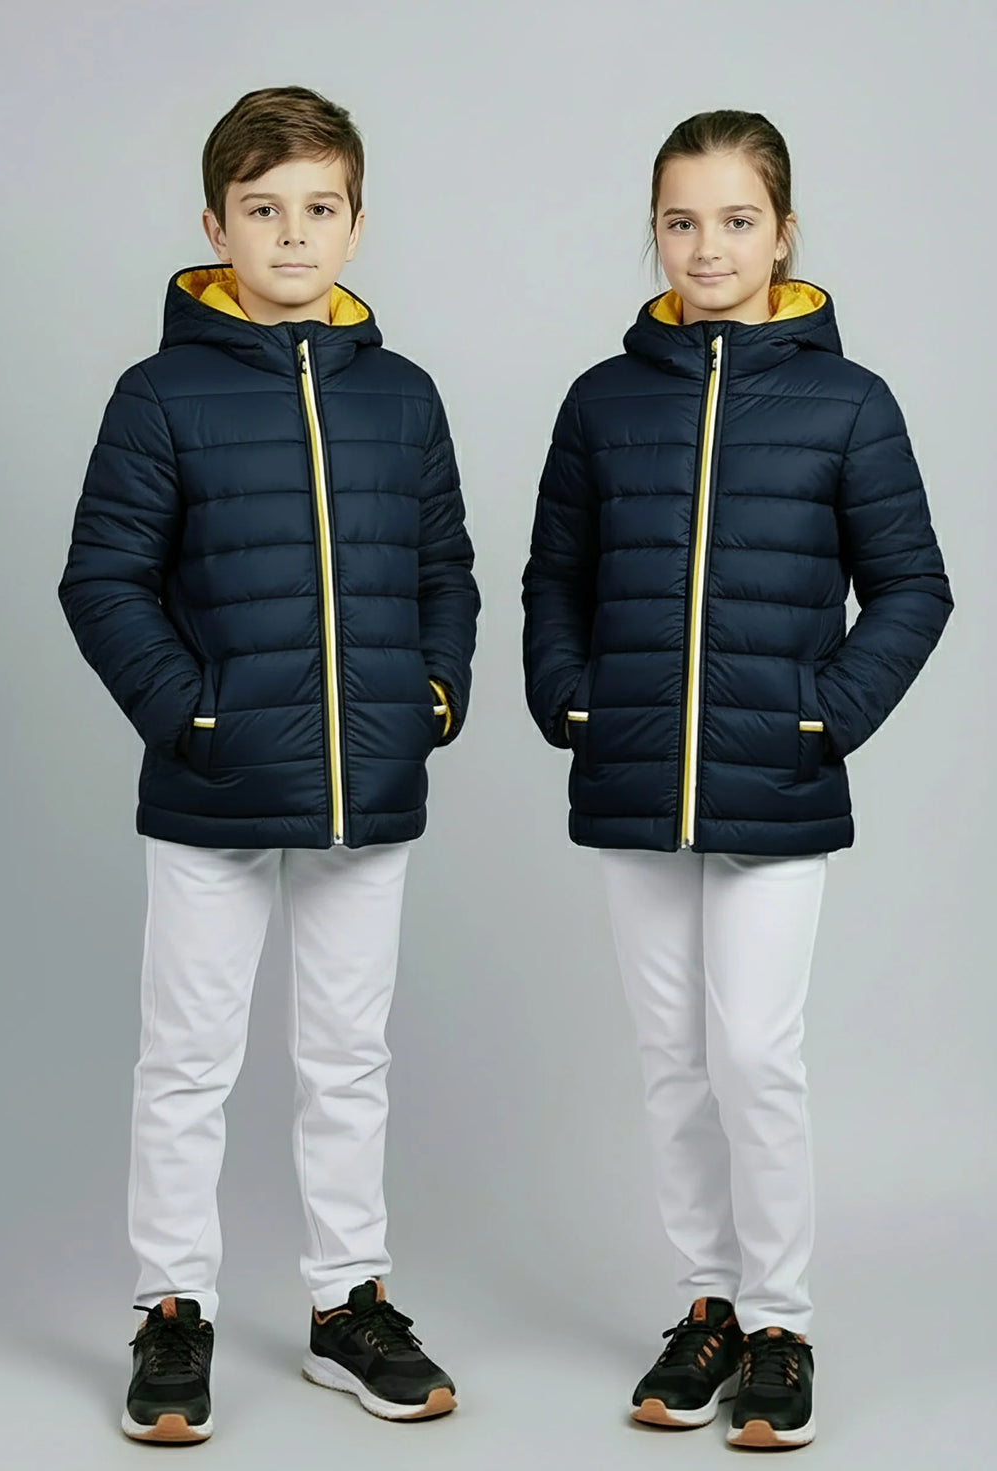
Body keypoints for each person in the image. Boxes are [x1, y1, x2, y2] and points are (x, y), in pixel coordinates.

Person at [521, 108, 953, 1450]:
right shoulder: (603, 401)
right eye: (682, 219)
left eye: (736, 219)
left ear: (783, 232)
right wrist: (571, 699)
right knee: (673, 1063)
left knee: (755, 1055)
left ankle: (780, 1324)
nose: (708, 245)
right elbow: (555, 578)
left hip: (776, 781)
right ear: (655, 230)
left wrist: (823, 718)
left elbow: (914, 588)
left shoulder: (849, 403)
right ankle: (706, 1306)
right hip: (635, 780)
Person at [58, 85, 479, 1441]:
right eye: (262, 209)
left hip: (370, 785)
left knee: (349, 1058)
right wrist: (192, 719)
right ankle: (171, 1308)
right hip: (214, 788)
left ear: (356, 223)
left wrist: (431, 698)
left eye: (317, 208)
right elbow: (103, 580)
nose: (292, 234)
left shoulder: (404, 398)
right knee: (188, 1061)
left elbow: (446, 569)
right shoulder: (159, 394)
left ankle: (348, 1304)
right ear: (215, 226)